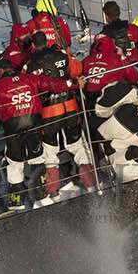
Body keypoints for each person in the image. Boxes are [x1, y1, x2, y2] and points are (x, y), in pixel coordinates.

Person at [0, 59, 71, 207]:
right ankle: (45, 192)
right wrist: (71, 83)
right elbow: (51, 84)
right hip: (33, 122)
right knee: (37, 158)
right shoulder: (29, 78)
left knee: (14, 162)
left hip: (12, 127)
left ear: (0, 71)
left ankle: (17, 201)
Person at [24, 30, 95, 197]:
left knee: (50, 152)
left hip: (48, 112)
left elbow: (29, 89)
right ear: (47, 42)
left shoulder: (29, 66)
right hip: (70, 105)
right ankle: (91, 184)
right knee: (77, 146)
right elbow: (77, 69)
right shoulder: (62, 55)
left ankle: (52, 192)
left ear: (33, 45)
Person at [81, 34, 138, 181]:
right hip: (119, 111)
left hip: (94, 113)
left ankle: (104, 167)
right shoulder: (117, 59)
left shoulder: (85, 61)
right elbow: (135, 78)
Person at [1, 0, 74, 68]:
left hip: (37, 62)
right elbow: (67, 43)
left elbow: (25, 45)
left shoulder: (29, 23)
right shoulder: (61, 22)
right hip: (60, 60)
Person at [100, 1, 138, 68]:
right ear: (119, 13)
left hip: (115, 71)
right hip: (135, 67)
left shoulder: (103, 35)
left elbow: (96, 55)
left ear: (106, 16)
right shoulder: (132, 28)